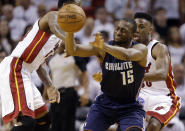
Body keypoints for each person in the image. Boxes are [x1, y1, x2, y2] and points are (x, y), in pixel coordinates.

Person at [65, 18, 148, 131]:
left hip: (130, 105)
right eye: (117, 29)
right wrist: (70, 31)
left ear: (133, 35)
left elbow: (127, 55)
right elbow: (72, 50)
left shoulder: (140, 49)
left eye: (123, 30)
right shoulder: (102, 49)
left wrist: (103, 46)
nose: (118, 32)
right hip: (105, 102)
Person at [0, 7, 65, 131]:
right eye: (76, 6)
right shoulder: (52, 17)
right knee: (26, 123)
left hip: (25, 72)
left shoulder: (61, 37)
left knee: (44, 119)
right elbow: (53, 23)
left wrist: (50, 86)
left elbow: (40, 64)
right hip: (15, 66)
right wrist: (68, 37)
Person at [134, 12, 180, 131]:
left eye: (141, 27)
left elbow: (161, 74)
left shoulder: (158, 48)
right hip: (140, 95)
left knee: (153, 126)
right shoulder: (129, 49)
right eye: (134, 27)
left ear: (150, 29)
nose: (137, 30)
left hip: (163, 97)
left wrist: (135, 75)